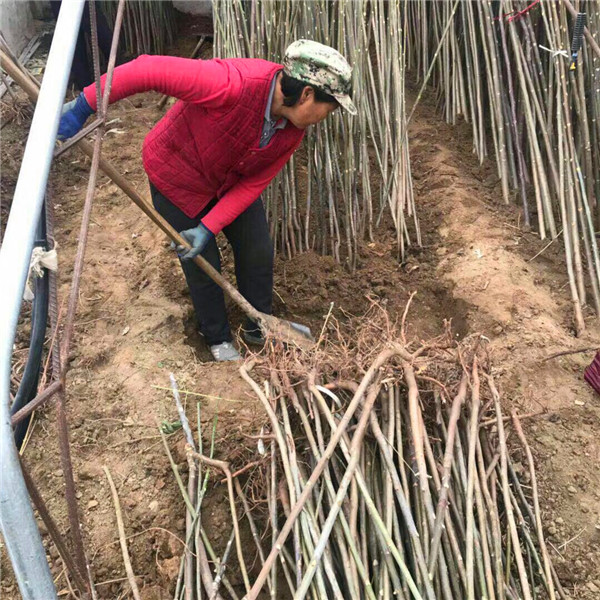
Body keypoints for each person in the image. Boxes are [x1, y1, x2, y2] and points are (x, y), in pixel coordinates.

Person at [58, 40, 357, 361]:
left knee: (257, 249)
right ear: (308, 94)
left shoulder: (292, 129)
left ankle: (259, 326)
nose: (327, 117)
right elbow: (147, 69)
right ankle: (216, 338)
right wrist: (83, 106)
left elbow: (254, 182)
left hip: (227, 182)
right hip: (178, 176)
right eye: (331, 108)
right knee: (201, 261)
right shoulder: (232, 84)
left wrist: (210, 225)